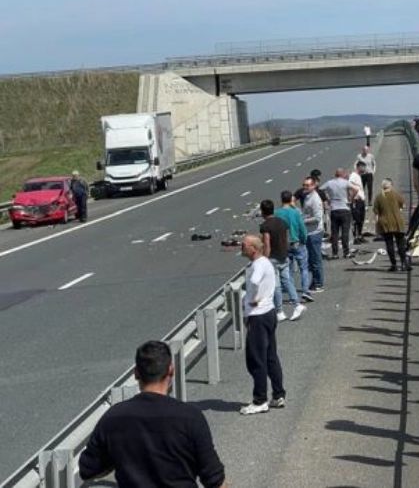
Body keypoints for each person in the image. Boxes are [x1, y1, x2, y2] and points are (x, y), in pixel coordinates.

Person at [79, 341, 226, 487]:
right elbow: (214, 479)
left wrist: (117, 454)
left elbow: (88, 470)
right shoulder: (190, 417)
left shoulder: (113, 417)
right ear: (171, 371)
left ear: (136, 373)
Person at [239, 235, 286, 415]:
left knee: (256, 360)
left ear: (253, 248)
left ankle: (260, 400)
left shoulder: (258, 265)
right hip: (269, 313)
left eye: (244, 245)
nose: (241, 247)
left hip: (258, 317)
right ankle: (278, 394)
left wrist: (253, 299)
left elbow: (255, 281)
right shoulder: (266, 261)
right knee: (270, 356)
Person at [259, 199, 305, 322]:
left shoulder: (265, 226)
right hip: (284, 255)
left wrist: (264, 259)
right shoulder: (282, 222)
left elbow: (267, 244)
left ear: (262, 211)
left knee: (276, 286)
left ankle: (279, 311)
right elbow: (286, 238)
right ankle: (297, 304)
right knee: (287, 281)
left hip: (273, 258)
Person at [277, 190, 314, 305]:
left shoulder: (277, 213)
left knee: (289, 270)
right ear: (291, 200)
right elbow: (302, 229)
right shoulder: (295, 212)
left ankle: (292, 292)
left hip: (284, 244)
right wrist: (304, 240)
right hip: (297, 242)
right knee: (304, 268)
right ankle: (305, 291)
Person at [373, 178, 409, 272]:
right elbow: (403, 206)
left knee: (389, 244)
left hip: (385, 223)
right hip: (397, 221)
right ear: (391, 185)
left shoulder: (379, 197)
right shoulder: (396, 195)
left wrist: (377, 228)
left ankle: (394, 265)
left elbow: (376, 214)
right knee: (400, 243)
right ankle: (404, 263)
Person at [322, 168, 358, 258]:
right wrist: (351, 198)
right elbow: (356, 189)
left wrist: (327, 198)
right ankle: (346, 252)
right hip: (344, 208)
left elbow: (320, 189)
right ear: (342, 174)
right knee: (345, 232)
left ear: (335, 174)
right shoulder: (345, 182)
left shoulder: (329, 183)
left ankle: (335, 253)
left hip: (334, 209)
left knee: (335, 232)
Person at [301, 177, 325, 292]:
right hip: (309, 232)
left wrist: (303, 221)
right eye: (304, 185)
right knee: (311, 259)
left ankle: (319, 283)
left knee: (315, 259)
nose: (305, 187)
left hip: (315, 232)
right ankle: (314, 281)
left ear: (313, 186)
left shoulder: (315, 199)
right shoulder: (307, 197)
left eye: (307, 185)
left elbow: (317, 217)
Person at [349, 162, 368, 244]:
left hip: (361, 201)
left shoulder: (358, 176)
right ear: (359, 167)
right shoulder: (353, 176)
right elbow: (350, 186)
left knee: (361, 219)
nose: (364, 169)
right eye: (363, 167)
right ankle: (356, 237)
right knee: (357, 219)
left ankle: (360, 235)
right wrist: (353, 197)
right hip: (356, 201)